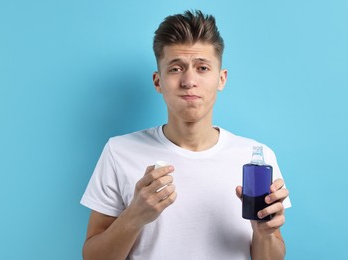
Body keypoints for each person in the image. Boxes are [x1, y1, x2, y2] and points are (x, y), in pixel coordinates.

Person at [81, 10, 291, 260]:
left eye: (202, 68)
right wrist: (134, 216)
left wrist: (263, 233)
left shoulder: (257, 157)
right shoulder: (119, 151)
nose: (189, 80)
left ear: (221, 79)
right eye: (176, 68)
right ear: (158, 82)